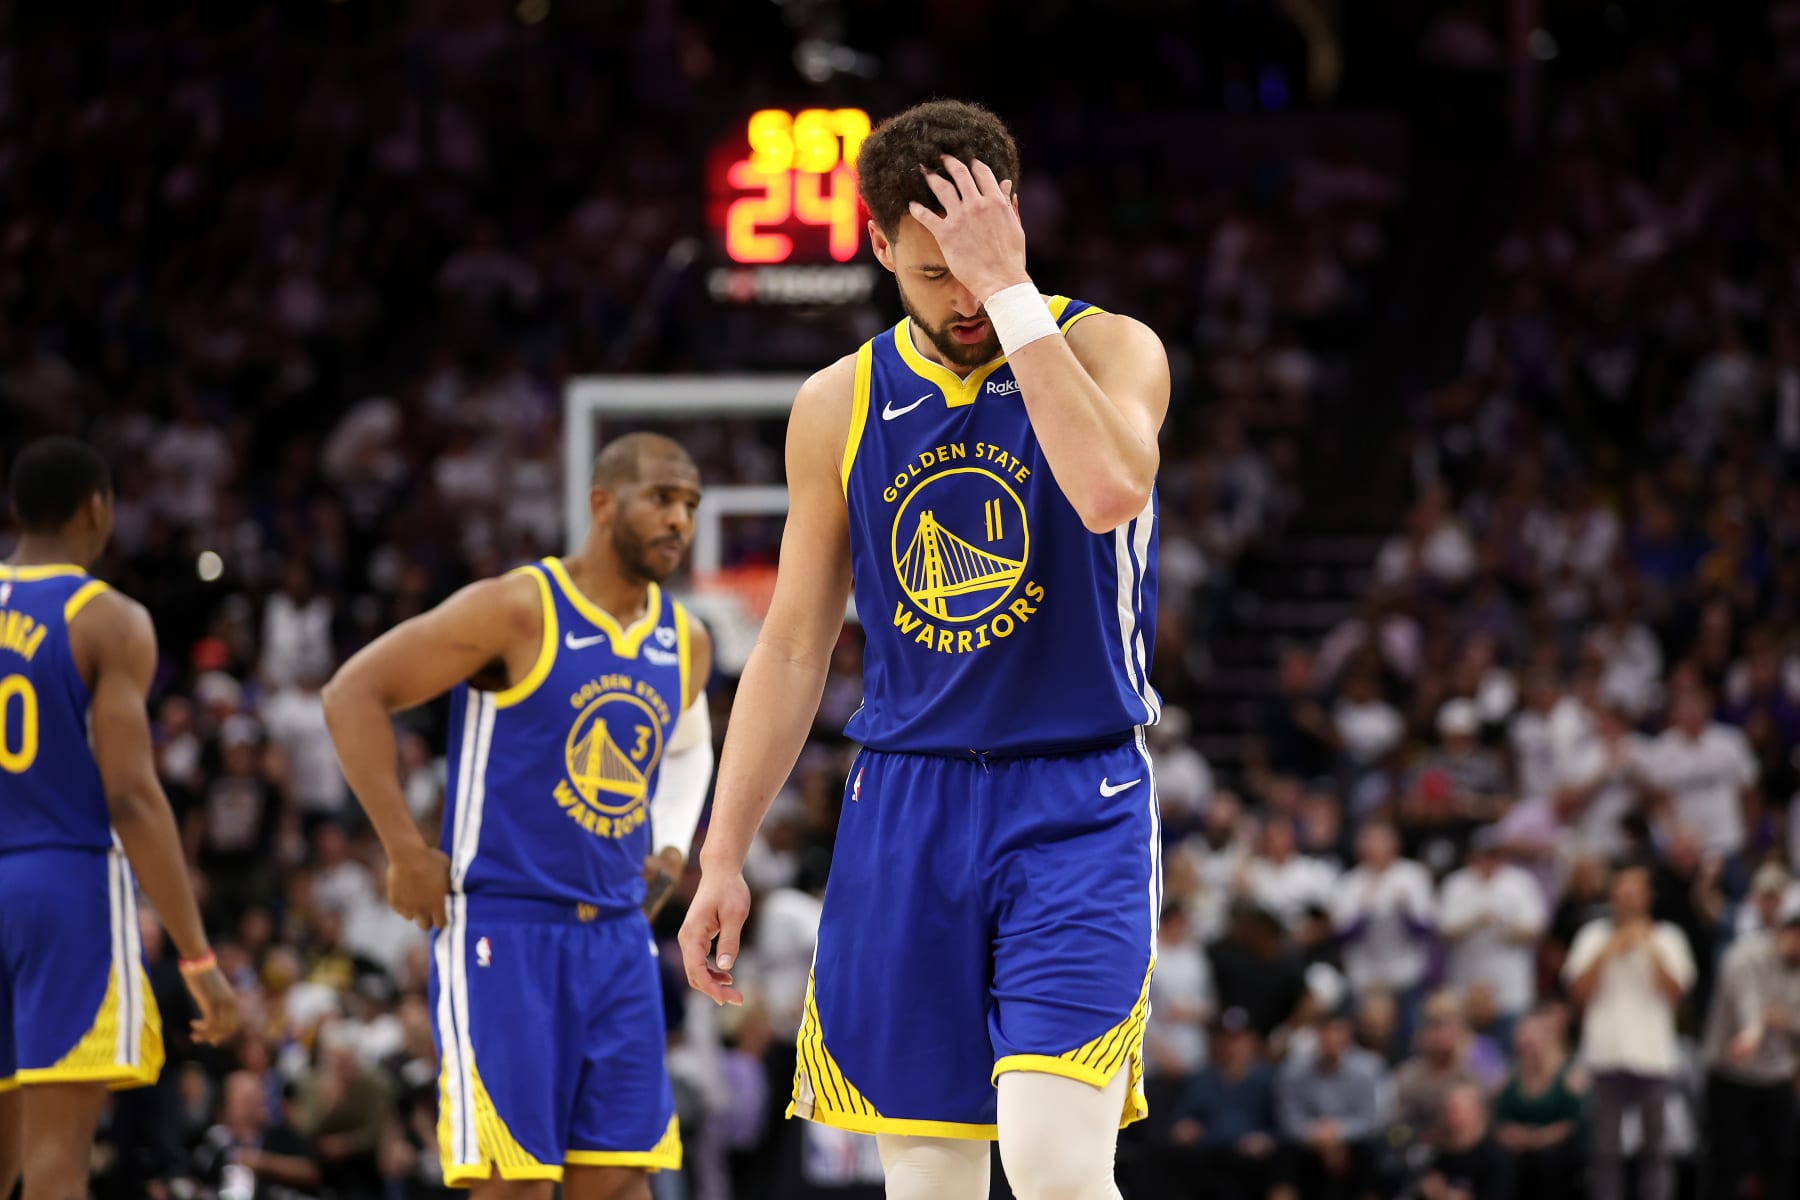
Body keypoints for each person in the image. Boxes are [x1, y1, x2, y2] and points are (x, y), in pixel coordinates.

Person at [678, 99, 1171, 1200]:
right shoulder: (838, 402)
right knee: (930, 1182)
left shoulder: (1111, 347)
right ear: (879, 250)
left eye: (974, 266)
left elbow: (1105, 491)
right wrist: (723, 853)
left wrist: (1011, 293)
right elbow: (796, 645)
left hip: (1076, 792)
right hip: (906, 800)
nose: (959, 302)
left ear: (1012, 227)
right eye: (929, 273)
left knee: (1052, 1168)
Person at [322, 433, 714, 1197]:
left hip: (618, 938)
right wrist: (404, 850)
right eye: (662, 499)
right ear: (602, 505)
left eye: (691, 505)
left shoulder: (685, 638)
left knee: (621, 1185)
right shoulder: (515, 609)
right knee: (516, 1186)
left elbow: (691, 749)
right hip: (506, 932)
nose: (679, 520)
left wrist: (669, 849)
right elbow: (351, 693)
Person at [0, 437, 238, 1199]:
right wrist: (198, 960)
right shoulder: (108, 620)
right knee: (57, 1154)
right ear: (96, 510)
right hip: (63, 882)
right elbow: (132, 795)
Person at [1563, 864, 1694, 1200]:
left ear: (1647, 898)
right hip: (1605, 1055)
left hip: (1654, 1057)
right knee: (1604, 1153)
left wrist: (1648, 946)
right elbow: (1577, 993)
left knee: (1656, 1152)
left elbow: (1677, 994)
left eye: (1632, 895)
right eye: (1619, 895)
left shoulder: (1669, 937)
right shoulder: (1592, 936)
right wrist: (1609, 949)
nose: (1625, 902)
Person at [1699, 889, 1800, 1200]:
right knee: (1727, 1164)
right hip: (1731, 1074)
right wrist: (1755, 1029)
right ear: (1786, 930)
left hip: (1777, 1075)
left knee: (1781, 1164)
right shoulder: (1744, 954)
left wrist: (1781, 1019)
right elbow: (1749, 1005)